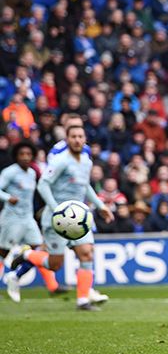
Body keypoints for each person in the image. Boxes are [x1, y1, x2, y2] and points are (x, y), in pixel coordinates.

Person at [11, 126, 114, 311]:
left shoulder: (86, 161)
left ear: (85, 139)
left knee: (87, 253)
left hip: (78, 216)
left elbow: (85, 186)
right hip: (56, 218)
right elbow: (43, 185)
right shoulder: (60, 161)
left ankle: (83, 300)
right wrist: (56, 209)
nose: (77, 140)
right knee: (54, 264)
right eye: (73, 136)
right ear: (67, 139)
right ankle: (26, 254)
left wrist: (101, 206)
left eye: (80, 136)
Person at [1, 141, 44, 302]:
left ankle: (15, 276)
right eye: (22, 154)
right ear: (16, 156)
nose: (25, 157)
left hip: (28, 218)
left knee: (38, 250)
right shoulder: (10, 172)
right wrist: (7, 197)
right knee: (3, 252)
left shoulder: (32, 173)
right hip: (11, 219)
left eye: (28, 154)